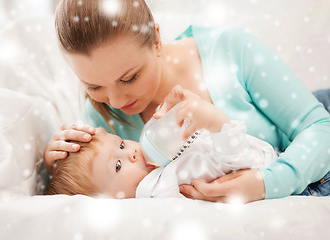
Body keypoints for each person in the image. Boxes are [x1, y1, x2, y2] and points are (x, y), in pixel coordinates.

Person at [44, 0, 330, 202]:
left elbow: (319, 127)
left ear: (156, 40)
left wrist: (267, 184)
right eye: (93, 86)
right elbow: (90, 182)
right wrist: (55, 165)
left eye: (129, 78)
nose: (116, 101)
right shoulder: (99, 118)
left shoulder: (230, 51)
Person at [47, 86, 277, 199]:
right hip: (289, 178)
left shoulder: (158, 170)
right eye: (117, 165)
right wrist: (218, 124)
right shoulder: (161, 187)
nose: (132, 152)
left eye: (121, 145)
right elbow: (227, 164)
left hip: (278, 163)